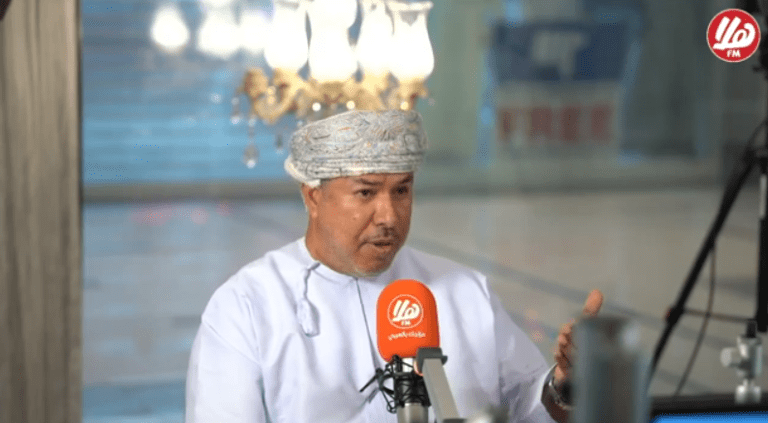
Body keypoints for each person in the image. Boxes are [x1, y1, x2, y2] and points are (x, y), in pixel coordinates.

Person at [185, 109, 604, 422]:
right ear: (313, 196)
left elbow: (530, 408)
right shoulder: (246, 306)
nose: (389, 216)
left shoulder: (464, 290)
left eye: (401, 191)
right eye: (366, 193)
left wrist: (564, 384)